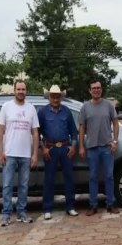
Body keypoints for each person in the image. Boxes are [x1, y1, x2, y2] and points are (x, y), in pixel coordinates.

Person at [0, 81, 40, 226]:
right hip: (9, 154)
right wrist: (0, 152)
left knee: (23, 185)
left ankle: (21, 212)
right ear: (14, 90)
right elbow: (0, 131)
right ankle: (6, 214)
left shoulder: (31, 108)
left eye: (23, 89)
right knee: (7, 185)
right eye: (19, 89)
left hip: (26, 154)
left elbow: (35, 133)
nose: (21, 91)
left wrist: (34, 154)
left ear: (26, 91)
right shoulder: (6, 107)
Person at [79, 80, 120, 215]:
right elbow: (82, 127)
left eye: (98, 88)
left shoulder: (108, 105)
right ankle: (93, 205)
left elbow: (115, 122)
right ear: (89, 91)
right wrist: (81, 146)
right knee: (93, 177)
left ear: (101, 90)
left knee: (109, 176)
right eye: (93, 88)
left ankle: (111, 203)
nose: (96, 90)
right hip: (92, 147)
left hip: (107, 147)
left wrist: (115, 141)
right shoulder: (85, 107)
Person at [38, 85, 79, 219]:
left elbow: (73, 131)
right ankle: (47, 208)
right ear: (49, 97)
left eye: (57, 96)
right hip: (50, 149)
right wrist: (42, 148)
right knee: (49, 179)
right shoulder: (42, 112)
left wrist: (73, 147)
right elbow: (36, 133)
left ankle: (70, 207)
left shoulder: (66, 111)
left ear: (61, 97)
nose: (55, 99)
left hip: (65, 149)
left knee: (69, 178)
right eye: (53, 96)